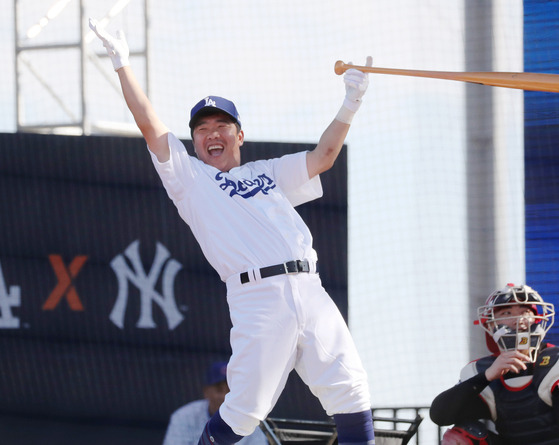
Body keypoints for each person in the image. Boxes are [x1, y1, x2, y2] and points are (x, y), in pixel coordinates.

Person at [89, 18, 375, 445]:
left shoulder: (267, 172)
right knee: (241, 413)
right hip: (257, 296)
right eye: (202, 129)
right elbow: (150, 125)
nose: (211, 134)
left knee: (352, 394)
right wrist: (122, 64)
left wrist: (350, 102)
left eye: (221, 125)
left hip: (310, 288)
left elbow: (324, 156)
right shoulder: (191, 180)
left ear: (240, 134)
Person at [429, 283, 559, 445]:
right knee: (459, 437)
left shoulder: (556, 360)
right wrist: (487, 376)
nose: (518, 320)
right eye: (507, 312)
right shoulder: (481, 369)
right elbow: (440, 415)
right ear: (490, 324)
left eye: (525, 312)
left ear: (537, 319)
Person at [163, 361, 268, 445]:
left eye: (230, 390)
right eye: (219, 390)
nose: (225, 396)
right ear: (206, 392)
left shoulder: (250, 420)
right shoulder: (183, 416)